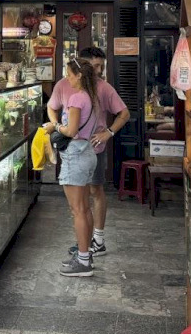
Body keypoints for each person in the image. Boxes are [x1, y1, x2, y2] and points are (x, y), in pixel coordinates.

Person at [48, 46, 130, 258]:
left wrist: (109, 133)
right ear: (81, 67)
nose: (98, 70)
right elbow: (52, 106)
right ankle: (85, 244)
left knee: (94, 192)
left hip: (93, 147)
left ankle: (97, 240)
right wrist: (57, 123)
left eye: (101, 66)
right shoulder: (64, 86)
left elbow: (124, 113)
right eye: (94, 66)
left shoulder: (102, 88)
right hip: (73, 148)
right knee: (80, 202)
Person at [43, 59, 103, 277]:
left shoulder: (78, 98)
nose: (67, 78)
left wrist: (54, 126)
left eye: (69, 74)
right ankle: (84, 255)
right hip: (86, 152)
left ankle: (83, 261)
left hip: (75, 155)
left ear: (79, 76)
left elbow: (70, 130)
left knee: (77, 210)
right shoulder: (91, 96)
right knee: (84, 208)